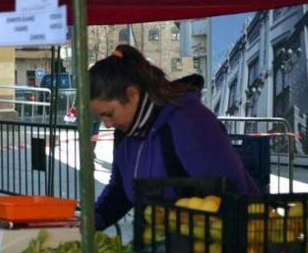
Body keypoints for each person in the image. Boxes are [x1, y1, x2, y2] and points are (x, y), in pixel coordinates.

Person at [91, 45, 258, 231]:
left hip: (217, 246)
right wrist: (92, 220)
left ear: (132, 94)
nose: (106, 124)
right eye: (101, 117)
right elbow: (120, 189)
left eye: (109, 114)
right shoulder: (125, 133)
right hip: (165, 246)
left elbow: (232, 193)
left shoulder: (190, 122)